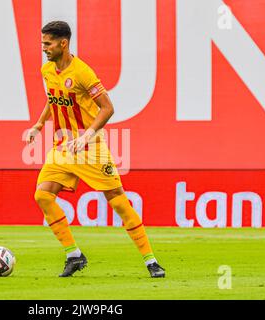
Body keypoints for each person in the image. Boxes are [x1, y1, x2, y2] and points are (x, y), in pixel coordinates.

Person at [26, 21, 165, 278]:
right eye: (43, 43)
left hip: (90, 149)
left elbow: (107, 107)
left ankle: (151, 261)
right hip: (63, 147)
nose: (44, 48)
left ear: (63, 43)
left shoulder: (83, 73)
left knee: (119, 202)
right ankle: (74, 255)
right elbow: (53, 99)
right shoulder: (47, 69)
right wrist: (38, 124)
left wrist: (88, 136)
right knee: (42, 196)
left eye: (48, 43)